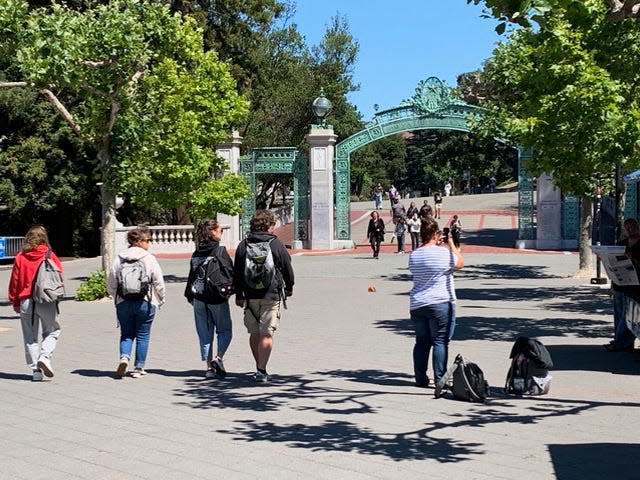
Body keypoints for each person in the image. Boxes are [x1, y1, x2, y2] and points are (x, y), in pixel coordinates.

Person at [233, 210, 294, 382]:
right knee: (267, 333)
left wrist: (239, 294)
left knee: (254, 333)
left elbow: (237, 272)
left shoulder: (244, 245)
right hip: (271, 294)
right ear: (269, 226)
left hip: (250, 294)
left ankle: (259, 366)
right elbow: (287, 267)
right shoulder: (276, 244)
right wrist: (289, 287)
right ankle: (261, 369)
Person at [409, 218, 464, 388]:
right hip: (441, 302)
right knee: (440, 341)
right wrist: (451, 245)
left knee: (421, 342)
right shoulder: (443, 253)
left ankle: (420, 378)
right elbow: (460, 262)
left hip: (418, 303)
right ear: (435, 234)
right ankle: (440, 378)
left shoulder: (414, 254)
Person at [108, 227, 166, 379]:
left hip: (123, 301)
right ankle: (139, 368)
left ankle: (124, 357)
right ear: (139, 242)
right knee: (143, 335)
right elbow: (158, 281)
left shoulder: (119, 258)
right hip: (145, 301)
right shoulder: (149, 258)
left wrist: (116, 297)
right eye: (147, 240)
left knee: (126, 334)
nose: (149, 243)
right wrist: (161, 299)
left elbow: (112, 281)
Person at [8, 225, 64, 381]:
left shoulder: (20, 257)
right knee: (52, 330)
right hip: (46, 299)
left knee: (30, 337)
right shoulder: (50, 255)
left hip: (26, 300)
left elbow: (15, 281)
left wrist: (15, 300)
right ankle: (45, 357)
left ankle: (36, 372)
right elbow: (59, 276)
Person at [184, 220, 234, 378]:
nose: (221, 233)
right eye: (220, 230)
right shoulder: (220, 251)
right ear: (212, 232)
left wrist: (189, 295)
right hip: (217, 298)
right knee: (225, 330)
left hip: (199, 297)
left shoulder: (196, 252)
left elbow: (191, 275)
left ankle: (208, 369)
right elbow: (230, 273)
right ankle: (218, 358)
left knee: (204, 333)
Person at [605, 218, 640, 352]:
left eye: (633, 227)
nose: (630, 230)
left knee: (628, 316)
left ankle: (621, 343)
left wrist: (633, 258)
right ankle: (622, 342)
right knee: (619, 315)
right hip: (620, 284)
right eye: (627, 227)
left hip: (635, 286)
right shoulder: (622, 244)